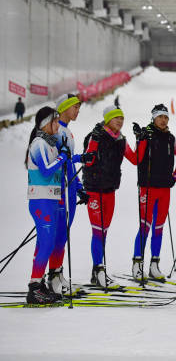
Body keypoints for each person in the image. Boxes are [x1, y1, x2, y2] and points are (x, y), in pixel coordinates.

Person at [82, 105, 138, 288]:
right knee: (97, 231)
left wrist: (142, 140)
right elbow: (88, 159)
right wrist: (95, 141)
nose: (120, 121)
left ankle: (95, 271)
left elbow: (136, 159)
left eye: (122, 118)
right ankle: (99, 270)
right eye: (116, 118)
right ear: (107, 119)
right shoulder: (95, 135)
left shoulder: (121, 139)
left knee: (104, 231)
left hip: (110, 190)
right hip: (94, 189)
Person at [131, 104, 176, 281]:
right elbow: (137, 159)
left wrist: (174, 177)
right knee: (145, 226)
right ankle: (137, 264)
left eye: (166, 117)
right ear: (153, 118)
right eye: (160, 116)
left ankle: (154, 264)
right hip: (148, 188)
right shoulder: (147, 135)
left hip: (164, 190)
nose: (163, 120)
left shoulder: (171, 139)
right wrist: (139, 139)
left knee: (158, 228)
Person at [46, 94, 90, 295]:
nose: (78, 111)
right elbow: (57, 162)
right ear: (64, 108)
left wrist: (79, 186)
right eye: (75, 107)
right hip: (60, 189)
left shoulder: (69, 133)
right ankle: (52, 277)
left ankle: (58, 272)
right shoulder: (54, 131)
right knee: (58, 234)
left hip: (70, 188)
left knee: (64, 234)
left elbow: (70, 164)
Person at [25, 107, 67, 303]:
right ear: (45, 124)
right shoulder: (39, 143)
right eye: (55, 121)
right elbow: (46, 170)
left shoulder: (51, 144)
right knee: (48, 244)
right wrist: (63, 157)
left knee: (44, 243)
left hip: (50, 199)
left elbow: (56, 168)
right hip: (41, 200)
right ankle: (34, 288)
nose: (58, 125)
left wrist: (78, 158)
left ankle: (38, 283)